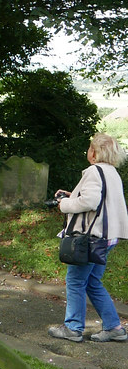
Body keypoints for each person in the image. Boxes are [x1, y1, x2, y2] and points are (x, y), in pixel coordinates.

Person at [49, 133, 128, 343]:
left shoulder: (95, 171)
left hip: (92, 237)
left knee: (75, 281)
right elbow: (100, 200)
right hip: (109, 237)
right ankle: (114, 328)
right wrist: (72, 195)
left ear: (94, 152)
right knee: (92, 281)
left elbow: (91, 202)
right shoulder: (112, 172)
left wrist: (64, 205)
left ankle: (73, 328)